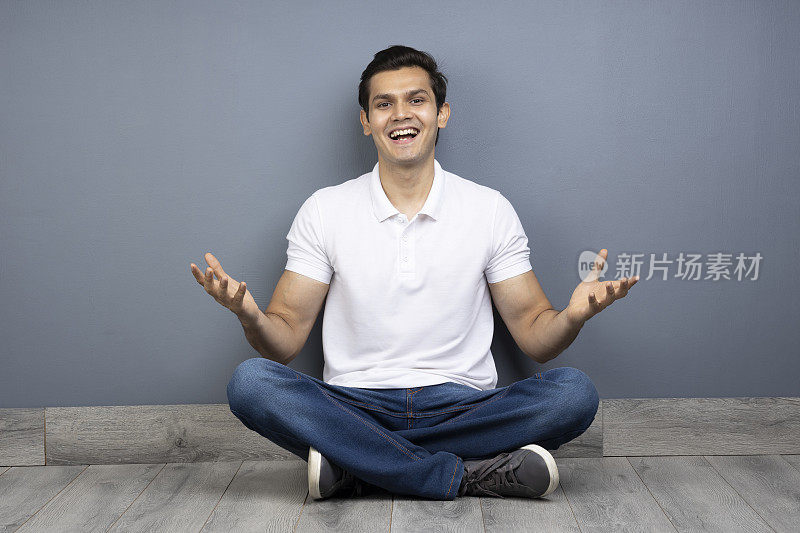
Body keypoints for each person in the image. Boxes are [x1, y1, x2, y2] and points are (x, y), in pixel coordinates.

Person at [190, 45, 638, 501]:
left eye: (416, 100)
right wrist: (250, 316)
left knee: (573, 394)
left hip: (462, 406)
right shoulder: (325, 210)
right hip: (355, 405)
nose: (400, 115)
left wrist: (571, 316)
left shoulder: (488, 209)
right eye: (383, 104)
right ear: (366, 121)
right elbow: (282, 342)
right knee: (251, 382)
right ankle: (462, 476)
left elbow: (536, 337)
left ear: (441, 113)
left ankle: (360, 468)